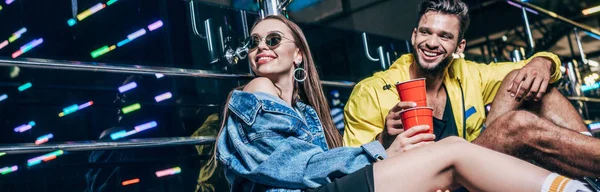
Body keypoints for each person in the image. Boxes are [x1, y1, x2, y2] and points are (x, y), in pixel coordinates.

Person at [214, 15, 593, 192]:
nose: (261, 48)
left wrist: (546, 61)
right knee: (461, 149)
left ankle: (583, 182)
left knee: (530, 99)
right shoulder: (258, 88)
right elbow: (293, 167)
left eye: (273, 39)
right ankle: (577, 188)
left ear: (298, 55)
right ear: (413, 36)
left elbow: (324, 168)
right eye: (254, 43)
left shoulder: (306, 111)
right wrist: (381, 147)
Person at [342, 0, 600, 178]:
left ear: (460, 47)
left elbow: (530, 68)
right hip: (424, 180)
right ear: (413, 36)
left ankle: (591, 174)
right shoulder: (370, 92)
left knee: (535, 87)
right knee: (517, 124)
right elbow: (353, 173)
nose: (432, 42)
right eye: (425, 32)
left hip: (472, 173)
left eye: (444, 36)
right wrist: (384, 140)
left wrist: (543, 62)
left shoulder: (469, 74)